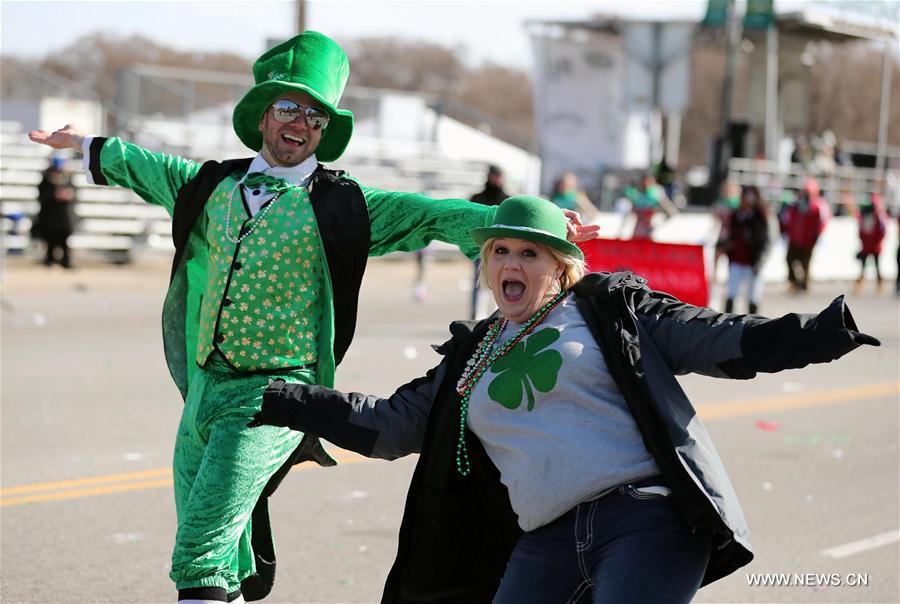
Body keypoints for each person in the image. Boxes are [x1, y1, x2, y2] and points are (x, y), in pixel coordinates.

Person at [28, 31, 601, 604]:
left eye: (315, 115)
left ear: (324, 130)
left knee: (199, 548)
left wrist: (530, 224)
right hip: (203, 388)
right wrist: (85, 144)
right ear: (263, 117)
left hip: (275, 393)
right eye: (289, 107)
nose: (300, 122)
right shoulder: (212, 186)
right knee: (210, 535)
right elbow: (145, 166)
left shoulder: (343, 203)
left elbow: (433, 214)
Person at [249, 195, 878, 603]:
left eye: (530, 252)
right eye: (499, 251)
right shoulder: (471, 355)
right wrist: (285, 397)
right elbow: (388, 427)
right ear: (485, 266)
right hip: (543, 541)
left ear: (562, 266)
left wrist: (816, 335)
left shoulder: (605, 310)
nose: (511, 262)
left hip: (644, 518)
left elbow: (718, 340)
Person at [468, 165, 509, 318]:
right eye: (496, 176)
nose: (498, 180)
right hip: (480, 247)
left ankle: (498, 316)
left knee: (499, 283)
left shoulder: (506, 199)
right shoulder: (477, 198)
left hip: (501, 249)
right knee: (479, 283)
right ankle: (476, 317)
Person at [722, 185, 771, 314]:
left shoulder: (760, 217)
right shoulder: (735, 216)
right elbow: (730, 236)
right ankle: (727, 323)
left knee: (753, 296)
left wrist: (760, 261)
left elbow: (765, 241)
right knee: (732, 293)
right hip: (737, 261)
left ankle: (753, 325)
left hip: (752, 263)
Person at [780, 177, 829, 293]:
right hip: (795, 239)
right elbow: (787, 220)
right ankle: (794, 281)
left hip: (807, 241)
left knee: (805, 263)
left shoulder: (817, 207)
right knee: (789, 259)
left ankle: (804, 285)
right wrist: (786, 232)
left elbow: (822, 222)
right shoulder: (795, 206)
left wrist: (816, 235)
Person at [35, 156, 77, 268]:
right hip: (49, 216)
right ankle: (49, 260)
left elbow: (75, 194)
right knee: (50, 239)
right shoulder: (46, 180)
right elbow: (42, 196)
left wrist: (69, 195)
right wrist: (54, 195)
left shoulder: (68, 179)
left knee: (64, 240)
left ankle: (66, 261)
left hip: (64, 216)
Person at [853, 192, 888, 293]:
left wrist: (876, 242)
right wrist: (864, 241)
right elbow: (861, 231)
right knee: (863, 267)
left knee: (877, 267)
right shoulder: (864, 217)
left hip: (875, 246)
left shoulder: (879, 216)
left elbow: (882, 231)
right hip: (866, 246)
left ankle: (879, 285)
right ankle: (859, 286)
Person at [629, 174, 677, 240]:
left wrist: (657, 224)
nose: (645, 184)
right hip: (637, 232)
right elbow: (631, 212)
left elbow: (672, 211)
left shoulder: (655, 195)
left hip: (650, 232)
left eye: (648, 182)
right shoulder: (637, 195)